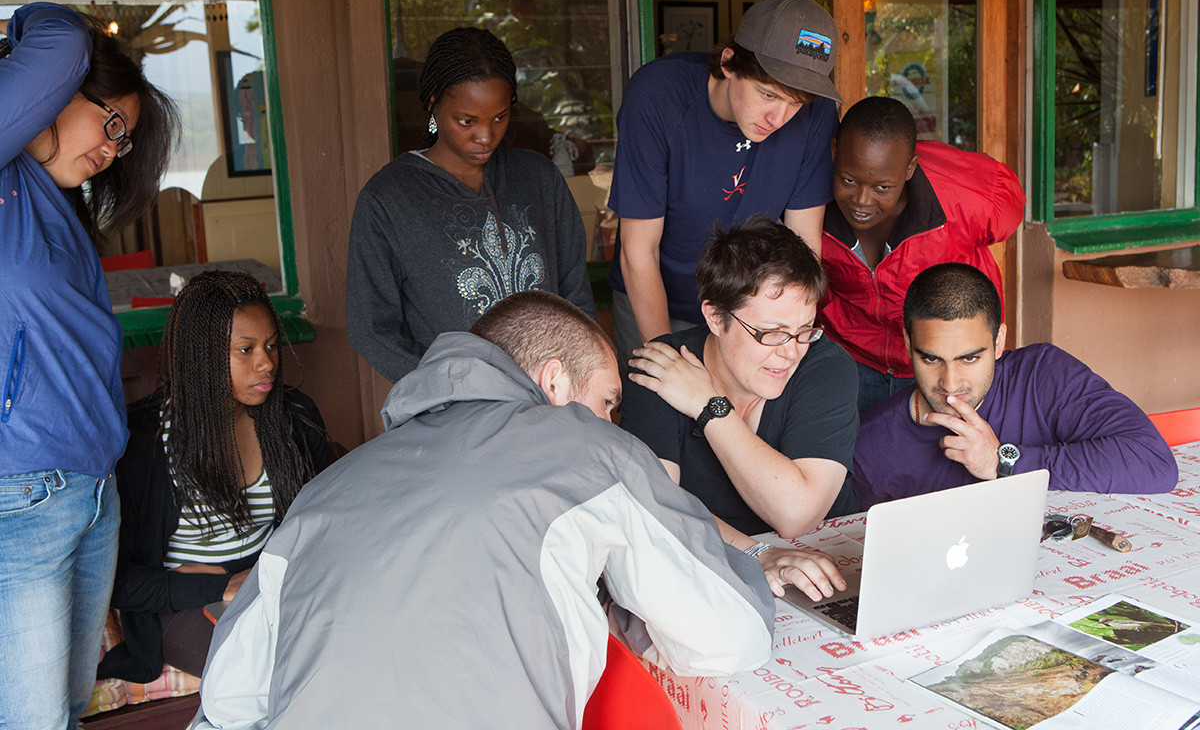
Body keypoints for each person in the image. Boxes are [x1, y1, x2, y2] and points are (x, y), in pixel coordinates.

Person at [191, 291, 783, 729]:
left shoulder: (325, 491)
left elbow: (226, 699)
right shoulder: (591, 448)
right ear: (553, 384)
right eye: (607, 402)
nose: (609, 422)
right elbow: (732, 635)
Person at [0, 3, 178, 729]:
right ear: (54, 94)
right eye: (111, 124)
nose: (115, 149)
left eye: (126, 140)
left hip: (90, 493)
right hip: (21, 493)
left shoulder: (54, 206)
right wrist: (16, 41)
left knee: (67, 710)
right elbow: (59, 36)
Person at [97, 271, 329, 684]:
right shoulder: (146, 446)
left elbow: (322, 522)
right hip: (181, 603)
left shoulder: (294, 420)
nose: (266, 363)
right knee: (266, 673)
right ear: (200, 355)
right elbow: (116, 581)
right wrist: (215, 587)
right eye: (245, 350)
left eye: (271, 344)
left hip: (273, 582)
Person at [621, 218, 858, 592]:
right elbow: (655, 510)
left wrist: (709, 405)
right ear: (715, 317)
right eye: (772, 333)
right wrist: (756, 552)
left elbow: (797, 514)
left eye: (804, 330)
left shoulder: (825, 366)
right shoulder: (660, 369)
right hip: (713, 564)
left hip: (828, 563)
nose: (790, 352)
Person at [347, 26, 595, 383]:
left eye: (500, 117)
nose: (486, 136)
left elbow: (575, 292)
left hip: (549, 399)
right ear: (433, 102)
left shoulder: (538, 178)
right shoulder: (389, 199)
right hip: (454, 415)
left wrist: (572, 377)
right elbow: (372, 327)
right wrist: (443, 391)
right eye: (467, 121)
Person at [608, 0, 843, 366]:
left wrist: (790, 338)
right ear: (729, 62)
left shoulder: (815, 115)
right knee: (661, 411)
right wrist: (671, 366)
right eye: (767, 94)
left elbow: (804, 245)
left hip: (752, 314)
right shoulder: (656, 97)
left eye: (795, 103)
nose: (779, 118)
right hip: (655, 295)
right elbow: (639, 253)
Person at [853, 263, 1177, 510]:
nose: (950, 384)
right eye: (931, 360)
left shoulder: (1041, 375)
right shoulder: (869, 444)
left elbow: (1153, 463)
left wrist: (1003, 462)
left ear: (998, 343)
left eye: (969, 359)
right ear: (909, 343)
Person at [819, 96, 1025, 412]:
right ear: (834, 153)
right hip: (851, 355)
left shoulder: (968, 197)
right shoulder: (806, 203)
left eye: (882, 187)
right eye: (849, 180)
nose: (861, 200)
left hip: (945, 363)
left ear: (909, 167)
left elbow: (1009, 213)